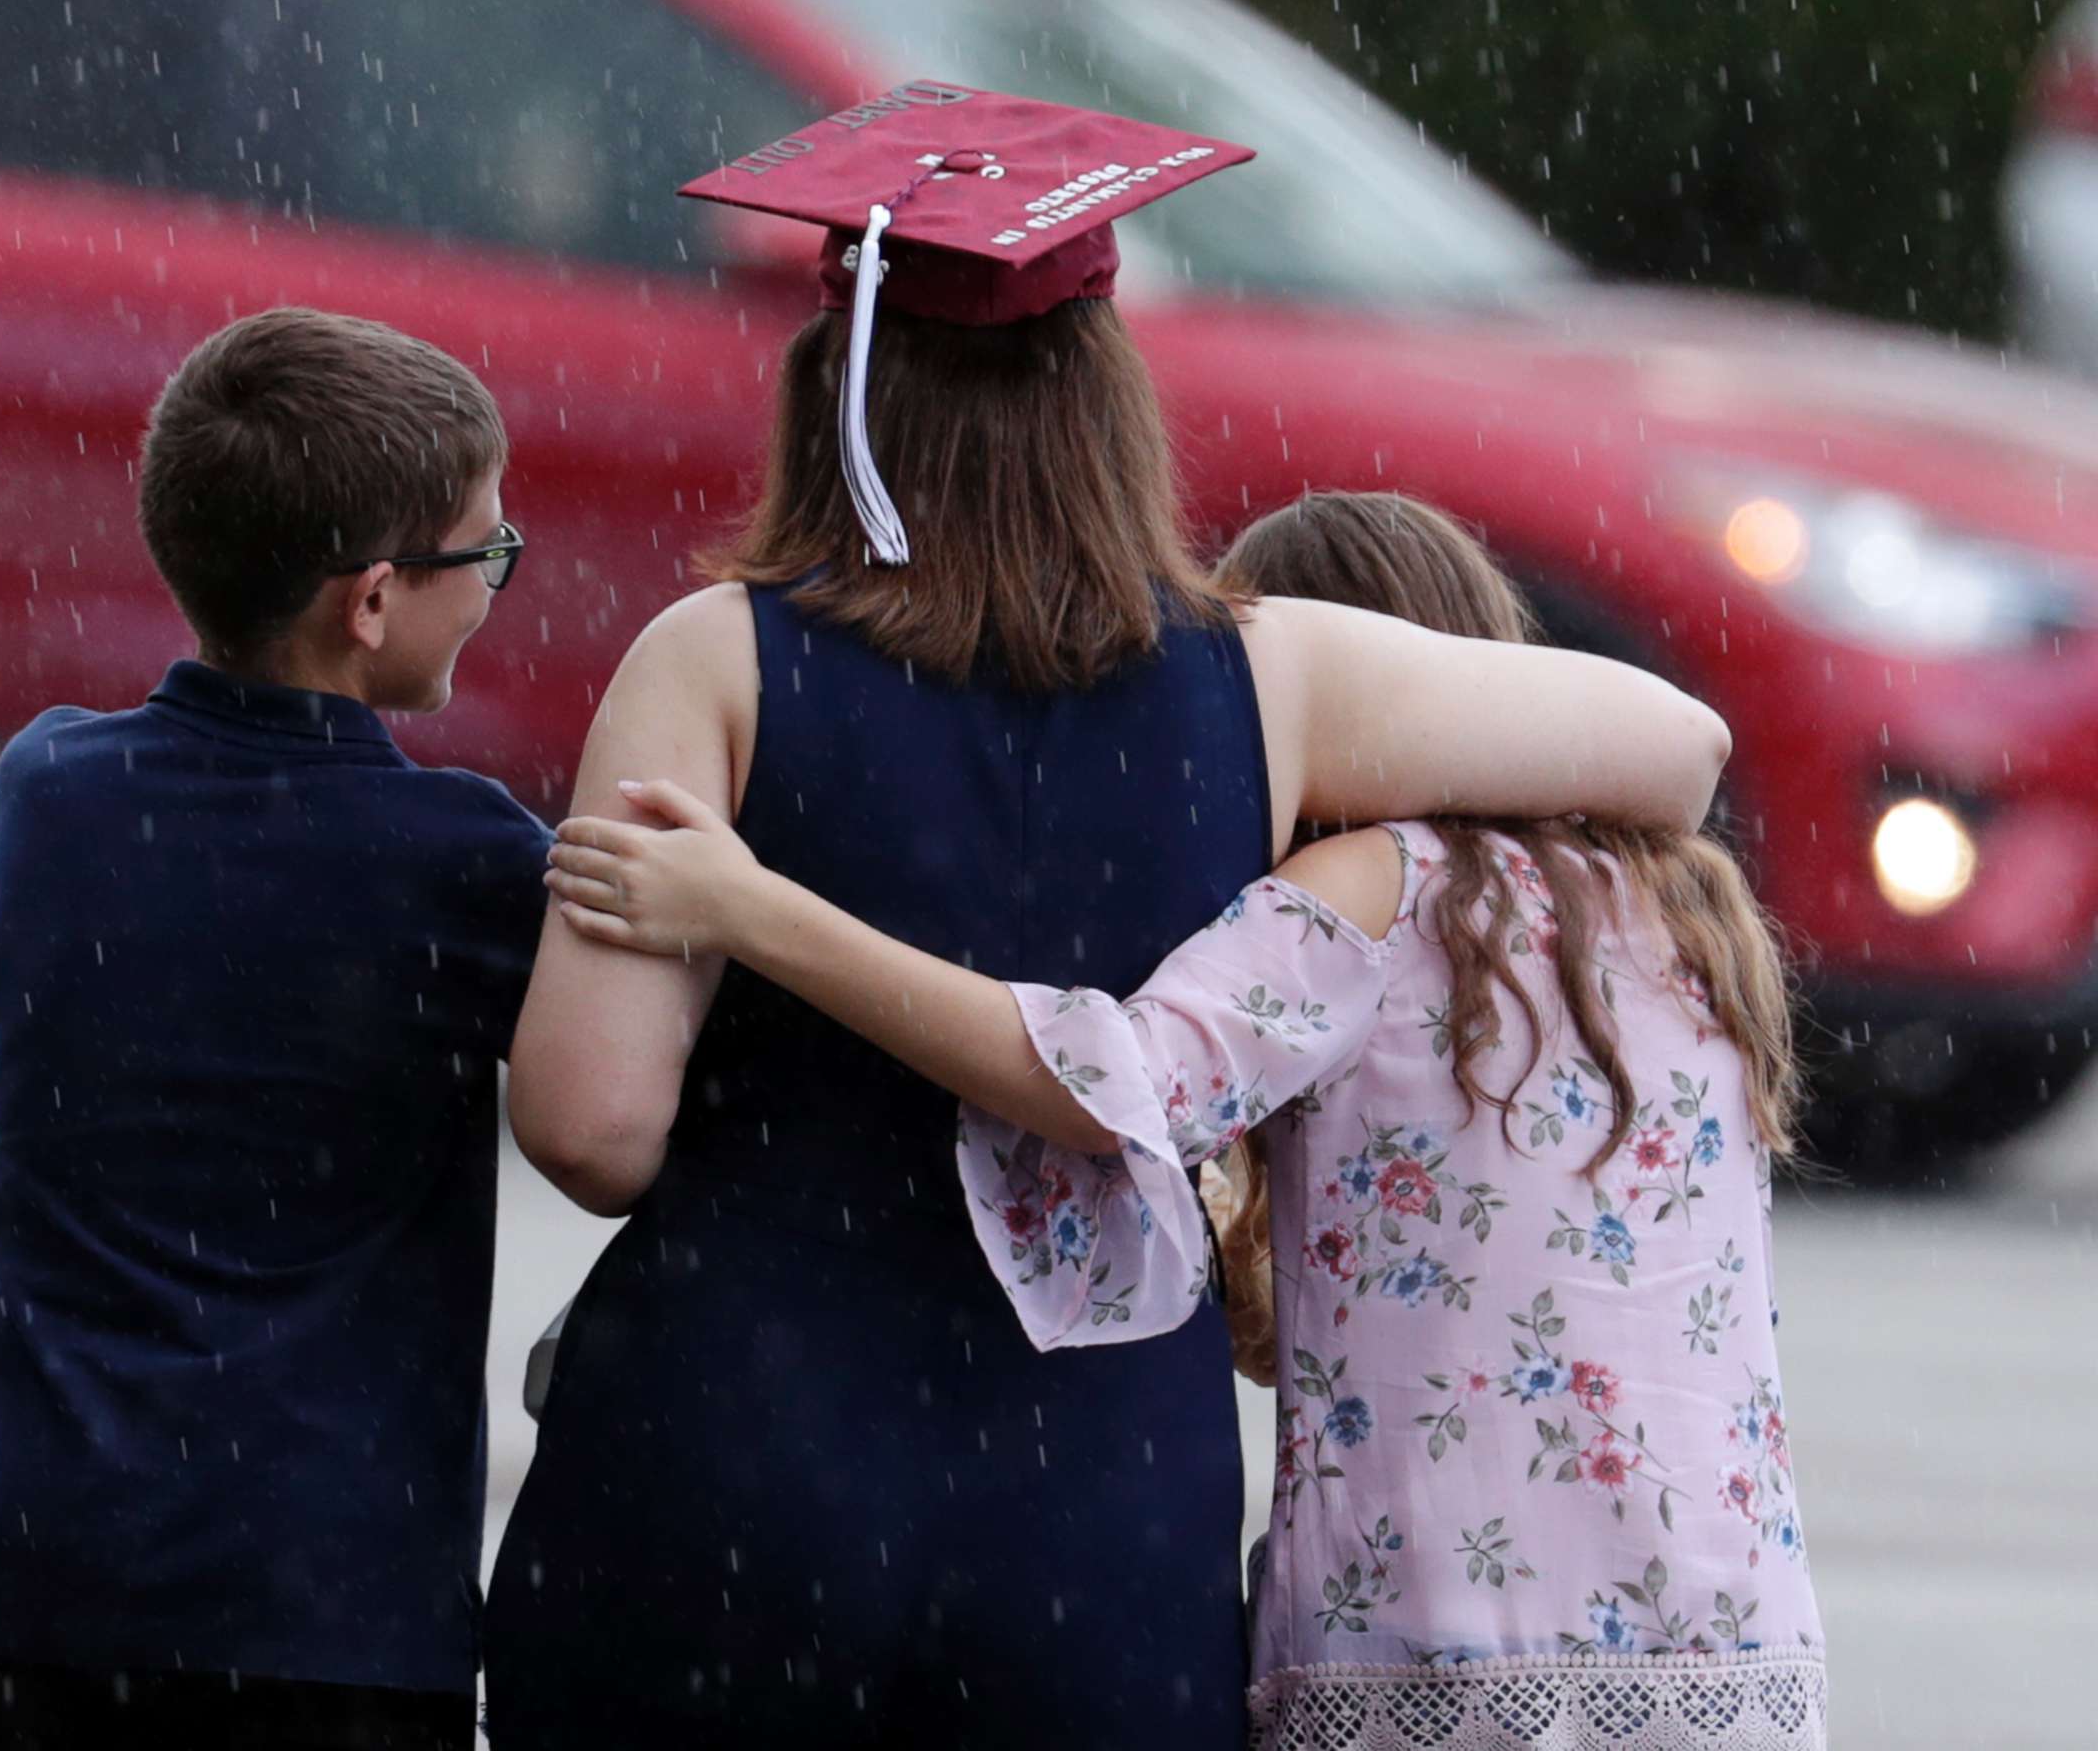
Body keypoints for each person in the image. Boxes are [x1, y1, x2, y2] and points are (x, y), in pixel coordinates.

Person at [485, 82, 1732, 1749]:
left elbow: (591, 1125)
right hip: (1098, 1511)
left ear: (834, 397)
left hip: (735, 1457)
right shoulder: (1271, 676)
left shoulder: (711, 661)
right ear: (1111, 402)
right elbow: (1676, 746)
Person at [541, 491, 1827, 1750]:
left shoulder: (1368, 891)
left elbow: (1109, 1091)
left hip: (1441, 1641)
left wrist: (751, 907)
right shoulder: (1684, 919)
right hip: (1726, 1636)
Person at [0, 307, 547, 1751]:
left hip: (38, 1585)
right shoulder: (459, 858)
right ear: (373, 602)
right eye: (486, 554)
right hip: (322, 1611)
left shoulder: (52, 787)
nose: (498, 585)